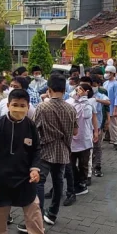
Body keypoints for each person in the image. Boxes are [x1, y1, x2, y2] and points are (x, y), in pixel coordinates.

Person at [0, 88, 50, 234]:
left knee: (33, 208)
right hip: (1, 176)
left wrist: (35, 169)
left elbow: (36, 150)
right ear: (8, 105)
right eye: (15, 105)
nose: (18, 109)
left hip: (25, 177)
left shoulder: (30, 125)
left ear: (28, 107)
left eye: (22, 105)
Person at [34, 74, 77, 225]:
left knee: (39, 181)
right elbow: (75, 131)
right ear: (64, 90)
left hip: (45, 149)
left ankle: (37, 215)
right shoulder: (71, 108)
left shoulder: (42, 107)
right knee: (58, 181)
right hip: (63, 149)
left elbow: (34, 129)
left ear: (49, 89)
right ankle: (52, 213)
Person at [64, 82, 96, 206]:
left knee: (83, 164)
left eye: (81, 89)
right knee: (71, 164)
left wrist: (96, 131)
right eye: (77, 89)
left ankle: (82, 184)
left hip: (85, 138)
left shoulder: (90, 102)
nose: (78, 91)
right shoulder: (70, 102)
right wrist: (74, 97)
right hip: (72, 139)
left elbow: (91, 116)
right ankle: (74, 183)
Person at [103, 66, 117, 149]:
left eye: (108, 72)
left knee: (113, 125)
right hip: (104, 106)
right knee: (103, 124)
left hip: (111, 107)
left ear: (112, 73)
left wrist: (115, 109)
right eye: (106, 72)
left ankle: (116, 141)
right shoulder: (105, 83)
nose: (106, 74)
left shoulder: (116, 84)